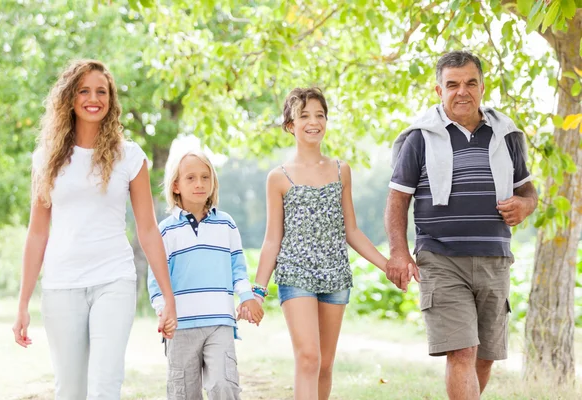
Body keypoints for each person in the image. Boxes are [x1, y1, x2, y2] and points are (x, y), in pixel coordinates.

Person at [12, 59, 177, 400]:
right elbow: (37, 232)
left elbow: (147, 229)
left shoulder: (129, 156)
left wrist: (168, 297)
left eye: (102, 91)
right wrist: (23, 302)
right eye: (84, 90)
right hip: (62, 285)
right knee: (70, 390)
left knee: (105, 386)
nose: (94, 98)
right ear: (70, 98)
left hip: (113, 281)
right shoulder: (46, 158)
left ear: (111, 100)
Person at [385, 50, 537, 400]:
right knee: (462, 352)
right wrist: (398, 251)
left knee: (485, 356)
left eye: (470, 83)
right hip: (441, 258)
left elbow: (527, 189)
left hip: (494, 259)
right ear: (439, 91)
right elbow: (397, 200)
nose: (462, 91)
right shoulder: (419, 138)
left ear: (482, 86)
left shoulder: (506, 134)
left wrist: (525, 205)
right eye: (452, 85)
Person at [251, 87, 415, 400]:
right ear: (290, 125)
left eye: (320, 115)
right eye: (304, 116)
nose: (313, 122)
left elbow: (351, 231)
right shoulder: (279, 177)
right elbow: (272, 239)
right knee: (308, 357)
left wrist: (388, 265)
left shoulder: (342, 171)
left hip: (335, 275)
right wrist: (258, 292)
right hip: (295, 273)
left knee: (325, 364)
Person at [148, 149, 263, 399]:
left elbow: (238, 268)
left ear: (213, 183)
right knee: (184, 393)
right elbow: (156, 278)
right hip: (180, 326)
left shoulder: (226, 224)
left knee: (224, 385)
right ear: (176, 185)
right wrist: (162, 310)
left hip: (219, 322)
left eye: (205, 177)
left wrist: (246, 296)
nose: (199, 184)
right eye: (190, 178)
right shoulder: (165, 231)